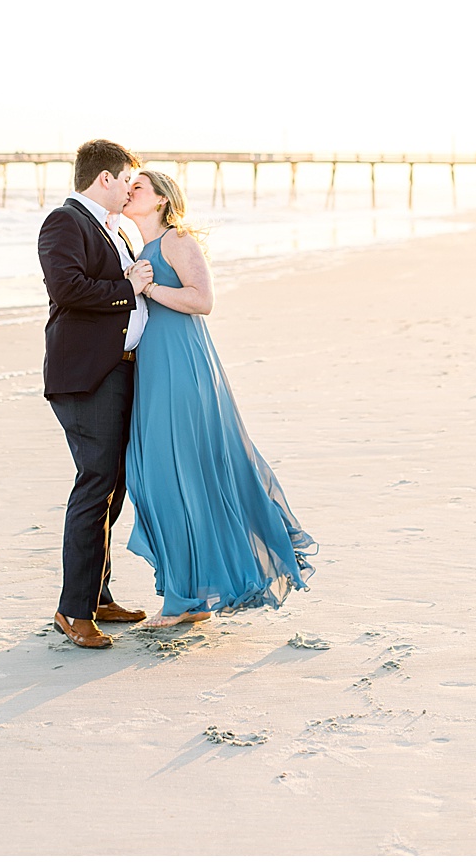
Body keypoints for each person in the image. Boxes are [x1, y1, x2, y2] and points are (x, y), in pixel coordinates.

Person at [119, 167, 315, 624]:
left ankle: (187, 600)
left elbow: (202, 300)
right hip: (153, 367)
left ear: (163, 200)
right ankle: (190, 593)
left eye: (138, 188)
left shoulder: (176, 241)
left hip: (183, 366)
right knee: (155, 478)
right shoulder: (139, 248)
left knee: (179, 475)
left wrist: (148, 286)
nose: (130, 192)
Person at [37, 138, 155, 649]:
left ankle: (97, 594)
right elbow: (67, 288)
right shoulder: (64, 222)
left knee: (114, 487)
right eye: (127, 180)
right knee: (95, 485)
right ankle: (72, 609)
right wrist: (129, 288)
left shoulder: (112, 228)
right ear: (103, 178)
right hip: (85, 376)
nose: (131, 189)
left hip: (117, 370)